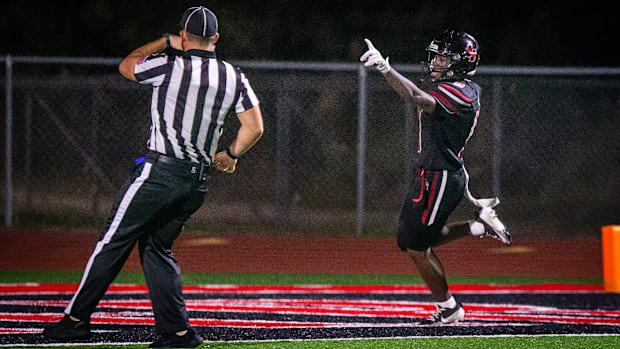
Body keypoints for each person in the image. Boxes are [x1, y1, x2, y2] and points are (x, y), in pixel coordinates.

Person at [43, 6, 263, 347]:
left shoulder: (170, 64)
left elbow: (126, 66)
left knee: (112, 242)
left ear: (184, 36)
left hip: (161, 172)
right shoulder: (233, 76)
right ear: (216, 38)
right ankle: (176, 332)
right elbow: (255, 127)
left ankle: (74, 320)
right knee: (157, 248)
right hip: (197, 181)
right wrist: (230, 155)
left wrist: (163, 42)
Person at [360, 30, 511, 325]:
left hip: (441, 176)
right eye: (437, 56)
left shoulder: (462, 93)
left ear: (462, 63)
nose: (437, 63)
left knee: (418, 246)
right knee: (409, 238)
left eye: (444, 57)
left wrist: (385, 68)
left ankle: (449, 308)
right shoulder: (458, 88)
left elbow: (415, 96)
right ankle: (477, 226)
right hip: (433, 173)